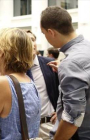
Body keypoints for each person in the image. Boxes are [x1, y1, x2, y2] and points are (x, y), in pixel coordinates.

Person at [40, 6, 90, 140]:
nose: (45, 37)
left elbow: (73, 117)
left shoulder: (72, 63)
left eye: (43, 33)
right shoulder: (85, 48)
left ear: (51, 32)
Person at [26, 30, 59, 140]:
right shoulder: (14, 68)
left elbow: (64, 89)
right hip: (26, 127)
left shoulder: (50, 64)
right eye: (27, 40)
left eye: (33, 40)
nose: (31, 43)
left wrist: (61, 109)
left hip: (48, 124)